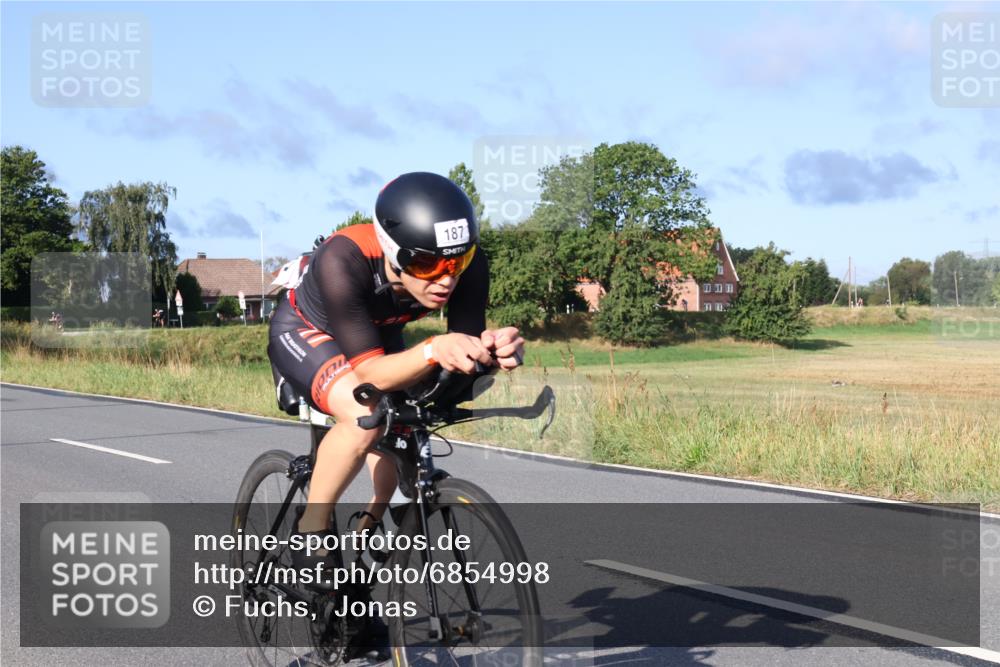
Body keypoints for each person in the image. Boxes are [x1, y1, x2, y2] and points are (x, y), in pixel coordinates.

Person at [267, 171, 523, 566]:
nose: (446, 279)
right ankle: (310, 530)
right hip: (308, 331)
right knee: (364, 414)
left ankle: (367, 530)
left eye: (457, 262)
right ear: (393, 251)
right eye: (428, 265)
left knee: (404, 429)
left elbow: (463, 354)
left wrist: (491, 352)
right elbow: (371, 376)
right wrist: (434, 348)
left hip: (376, 334)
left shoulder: (467, 266)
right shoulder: (343, 257)